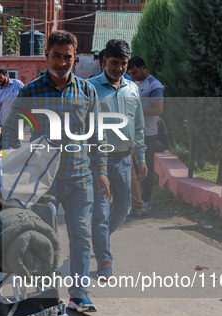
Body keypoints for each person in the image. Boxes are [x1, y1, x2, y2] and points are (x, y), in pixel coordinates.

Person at [2, 30, 110, 313]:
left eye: (68, 57)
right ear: (46, 56)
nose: (62, 62)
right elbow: (11, 133)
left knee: (81, 237)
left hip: (79, 178)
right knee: (44, 241)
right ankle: (46, 295)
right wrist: (9, 166)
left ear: (75, 57)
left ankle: (79, 294)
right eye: (56, 56)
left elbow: (98, 135)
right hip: (42, 182)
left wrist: (102, 172)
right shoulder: (30, 92)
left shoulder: (87, 91)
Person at [87, 39, 146, 279]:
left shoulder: (132, 89)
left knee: (124, 208)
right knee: (100, 212)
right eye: (114, 62)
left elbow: (138, 126)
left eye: (123, 63)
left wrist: (141, 157)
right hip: (96, 162)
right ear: (103, 61)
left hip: (124, 160)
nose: (119, 68)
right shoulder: (88, 88)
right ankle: (104, 260)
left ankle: (100, 237)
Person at [127, 56, 164, 211]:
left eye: (135, 72)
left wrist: (135, 112)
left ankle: (147, 200)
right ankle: (136, 199)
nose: (133, 76)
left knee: (145, 166)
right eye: (131, 74)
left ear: (143, 67)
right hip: (133, 132)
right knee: (133, 167)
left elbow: (158, 109)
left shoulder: (154, 85)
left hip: (148, 133)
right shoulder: (135, 84)